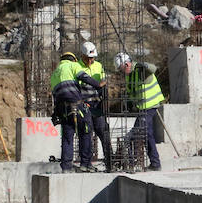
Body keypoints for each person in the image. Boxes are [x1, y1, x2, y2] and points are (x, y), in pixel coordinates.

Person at [50, 51, 99, 172]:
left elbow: (55, 97)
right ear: (73, 59)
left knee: (67, 137)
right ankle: (85, 164)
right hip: (77, 105)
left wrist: (56, 114)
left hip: (63, 109)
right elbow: (84, 77)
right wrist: (98, 85)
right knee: (86, 131)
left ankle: (66, 167)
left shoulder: (54, 74)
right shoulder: (72, 65)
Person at [115, 52, 164, 171]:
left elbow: (153, 68)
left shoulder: (140, 70)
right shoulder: (129, 75)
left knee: (133, 135)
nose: (121, 71)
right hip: (142, 108)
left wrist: (144, 65)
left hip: (151, 106)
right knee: (148, 135)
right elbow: (132, 92)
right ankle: (155, 164)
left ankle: (133, 163)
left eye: (121, 68)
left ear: (126, 64)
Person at [78, 41, 114, 172]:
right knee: (86, 135)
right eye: (88, 58)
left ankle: (111, 162)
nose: (90, 61)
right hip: (84, 106)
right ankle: (86, 163)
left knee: (104, 133)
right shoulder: (77, 67)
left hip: (97, 106)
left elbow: (104, 83)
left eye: (92, 58)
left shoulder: (99, 66)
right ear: (82, 56)